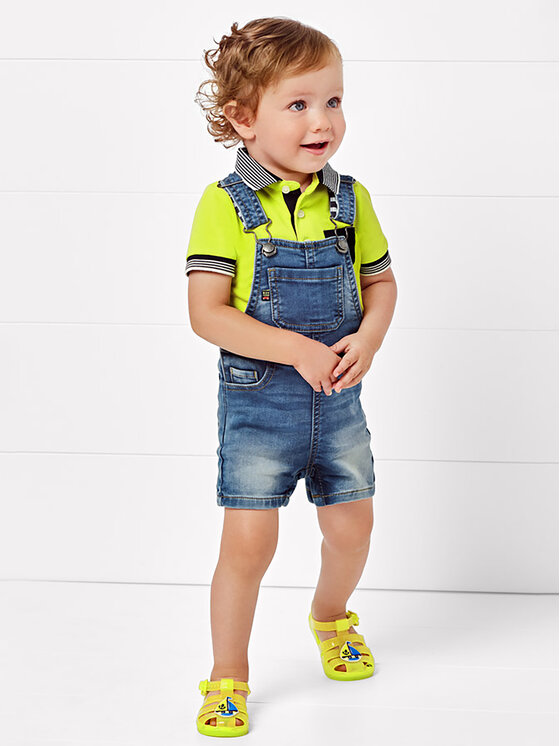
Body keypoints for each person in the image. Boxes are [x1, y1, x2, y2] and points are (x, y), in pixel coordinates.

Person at [186, 17, 398, 738]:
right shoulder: (226, 205)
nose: (322, 121)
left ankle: (331, 616)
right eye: (299, 104)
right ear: (244, 118)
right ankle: (228, 675)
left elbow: (381, 284)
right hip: (261, 406)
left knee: (353, 527)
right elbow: (207, 314)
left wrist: (369, 337)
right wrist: (295, 350)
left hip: (337, 402)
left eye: (333, 101)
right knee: (248, 546)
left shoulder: (349, 200)